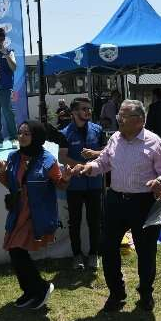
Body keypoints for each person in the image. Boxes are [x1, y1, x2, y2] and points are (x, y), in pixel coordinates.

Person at [74, 100, 161, 312]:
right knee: (107, 247)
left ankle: (145, 293)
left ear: (139, 120)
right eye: (119, 115)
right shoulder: (115, 139)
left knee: (146, 251)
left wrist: (160, 181)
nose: (118, 119)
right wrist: (88, 167)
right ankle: (116, 293)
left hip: (143, 202)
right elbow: (103, 162)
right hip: (115, 200)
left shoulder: (153, 142)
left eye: (124, 116)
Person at [0, 120, 74, 309]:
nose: (21, 137)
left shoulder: (48, 160)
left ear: (36, 136)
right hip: (18, 211)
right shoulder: (13, 157)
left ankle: (41, 287)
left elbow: (60, 185)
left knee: (16, 249)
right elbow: (13, 185)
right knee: (14, 251)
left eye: (26, 133)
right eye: (20, 133)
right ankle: (30, 291)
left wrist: (66, 178)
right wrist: (2, 172)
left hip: (36, 213)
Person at [58, 97, 105, 271]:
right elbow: (62, 157)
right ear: (74, 112)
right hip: (74, 186)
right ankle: (77, 255)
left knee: (95, 221)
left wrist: (94, 155)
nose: (88, 111)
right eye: (84, 108)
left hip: (95, 183)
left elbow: (107, 151)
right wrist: (79, 166)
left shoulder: (98, 129)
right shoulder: (64, 133)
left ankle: (94, 254)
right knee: (75, 222)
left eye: (89, 108)